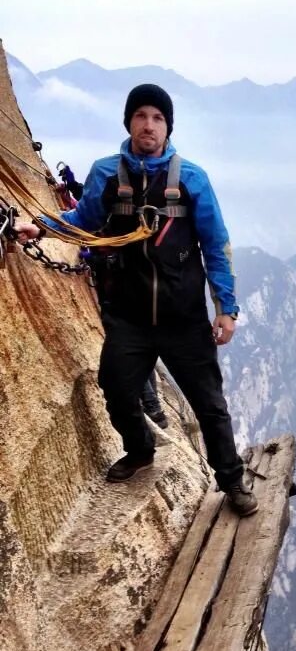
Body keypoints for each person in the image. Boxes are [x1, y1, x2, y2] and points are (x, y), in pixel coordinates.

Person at [15, 84, 258, 516]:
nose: (149, 125)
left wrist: (225, 308)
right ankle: (140, 449)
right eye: (141, 116)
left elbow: (215, 244)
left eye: (158, 118)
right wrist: (42, 228)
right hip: (129, 316)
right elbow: (84, 220)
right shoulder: (108, 174)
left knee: (210, 405)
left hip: (182, 318)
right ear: (129, 122)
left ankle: (232, 480)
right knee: (116, 386)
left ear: (168, 127)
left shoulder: (191, 180)